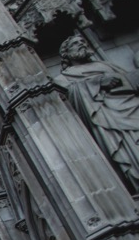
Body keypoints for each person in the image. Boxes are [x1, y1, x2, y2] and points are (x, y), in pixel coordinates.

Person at [57, 35, 139, 189]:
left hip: (132, 108)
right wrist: (98, 83)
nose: (82, 44)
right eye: (76, 43)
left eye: (83, 42)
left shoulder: (106, 65)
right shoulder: (64, 78)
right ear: (66, 53)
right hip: (108, 120)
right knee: (131, 152)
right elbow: (67, 102)